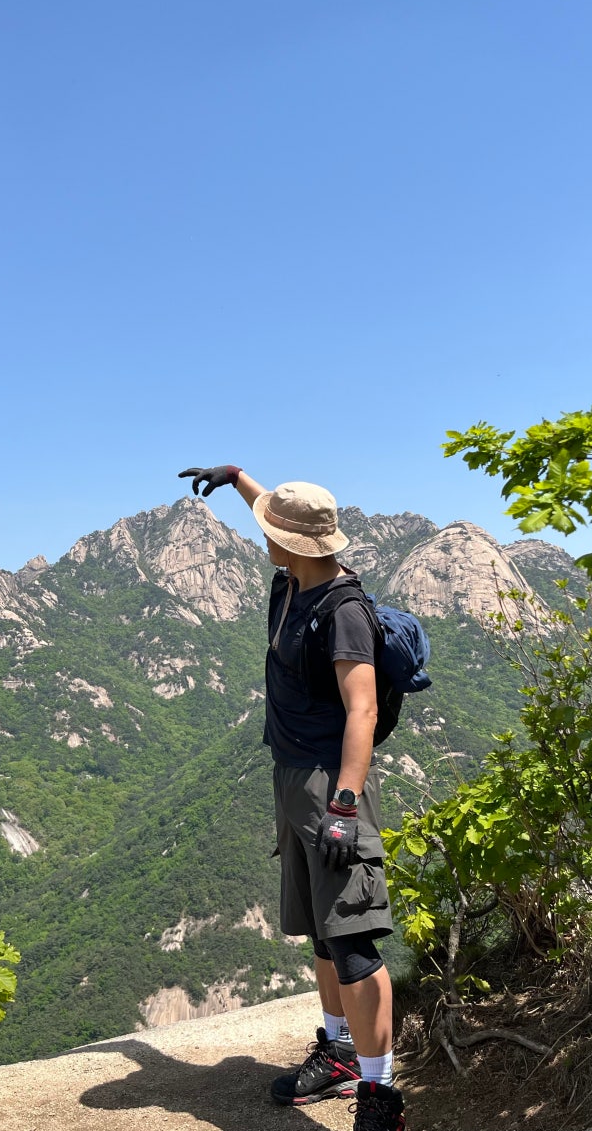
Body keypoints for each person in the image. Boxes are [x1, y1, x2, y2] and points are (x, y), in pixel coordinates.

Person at [178, 464, 406, 1131]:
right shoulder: (292, 581)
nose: (263, 537)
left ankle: (381, 1097)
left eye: (270, 530)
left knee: (353, 939)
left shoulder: (342, 611)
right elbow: (280, 520)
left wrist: (344, 805)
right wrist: (239, 479)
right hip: (292, 778)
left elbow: (362, 710)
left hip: (332, 784)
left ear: (293, 544)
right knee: (323, 934)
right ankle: (339, 1052)